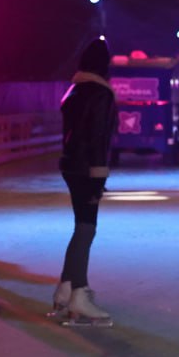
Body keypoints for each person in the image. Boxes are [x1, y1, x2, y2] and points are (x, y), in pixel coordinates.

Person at [53, 39, 118, 326]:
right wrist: (98, 176)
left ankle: (66, 288)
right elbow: (98, 138)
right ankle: (79, 292)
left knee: (81, 227)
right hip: (86, 168)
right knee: (86, 229)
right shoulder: (100, 94)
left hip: (70, 165)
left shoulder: (74, 91)